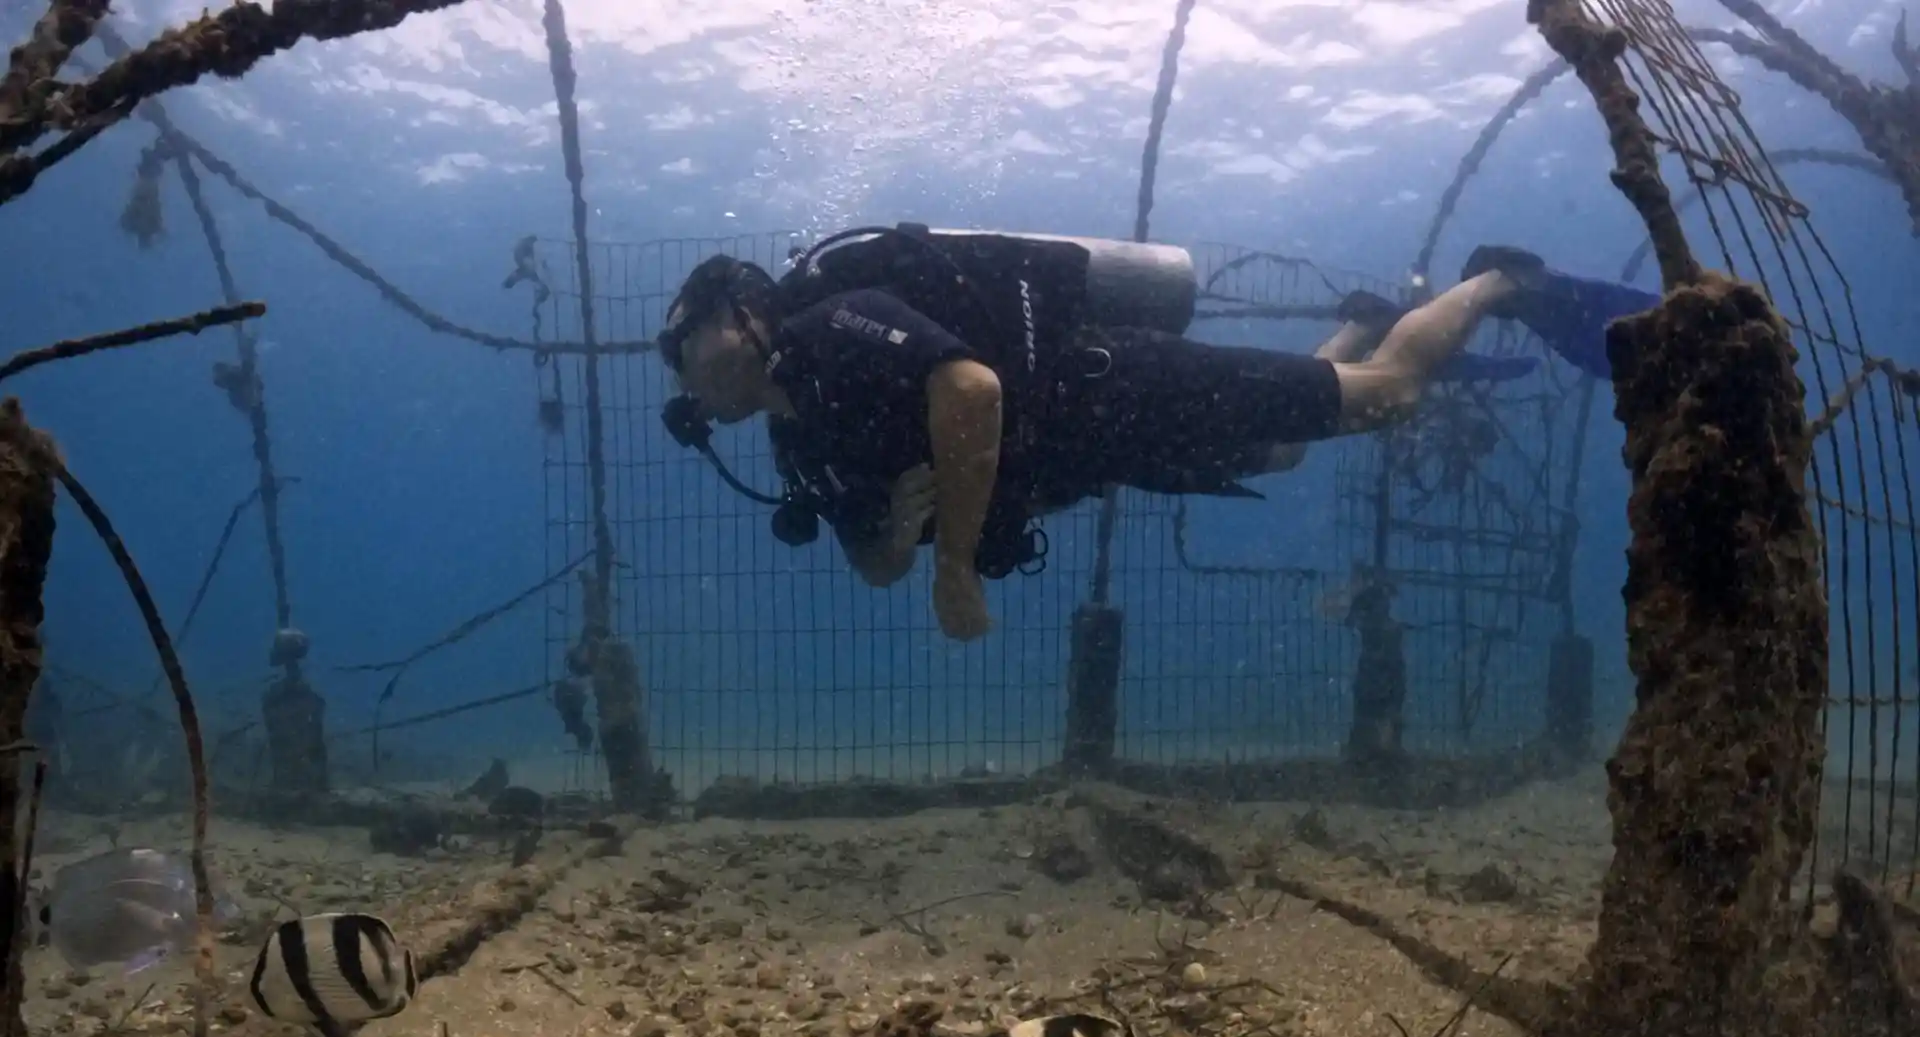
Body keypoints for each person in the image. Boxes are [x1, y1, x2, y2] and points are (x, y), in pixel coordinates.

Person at [657, 234, 1657, 642]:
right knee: (1281, 453)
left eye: (685, 340)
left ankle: (1497, 280)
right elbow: (868, 558)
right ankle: (1358, 318)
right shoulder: (801, 444)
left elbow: (970, 388)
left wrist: (953, 564)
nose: (678, 366)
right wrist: (897, 536)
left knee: (1386, 399)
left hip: (1116, 383)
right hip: (1095, 450)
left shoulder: (834, 327)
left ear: (744, 319)